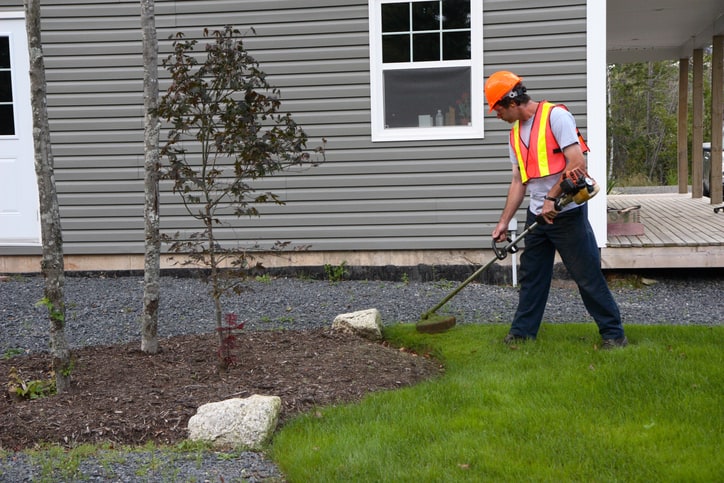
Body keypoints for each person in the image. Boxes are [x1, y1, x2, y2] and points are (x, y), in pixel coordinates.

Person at [484, 70, 627, 349]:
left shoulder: (556, 117)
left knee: (586, 276)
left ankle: (613, 334)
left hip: (566, 214)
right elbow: (518, 181)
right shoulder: (514, 135)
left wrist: (551, 198)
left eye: (497, 109)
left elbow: (577, 164)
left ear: (511, 102)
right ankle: (523, 333)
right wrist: (504, 222)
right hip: (537, 216)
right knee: (532, 276)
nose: (496, 115)